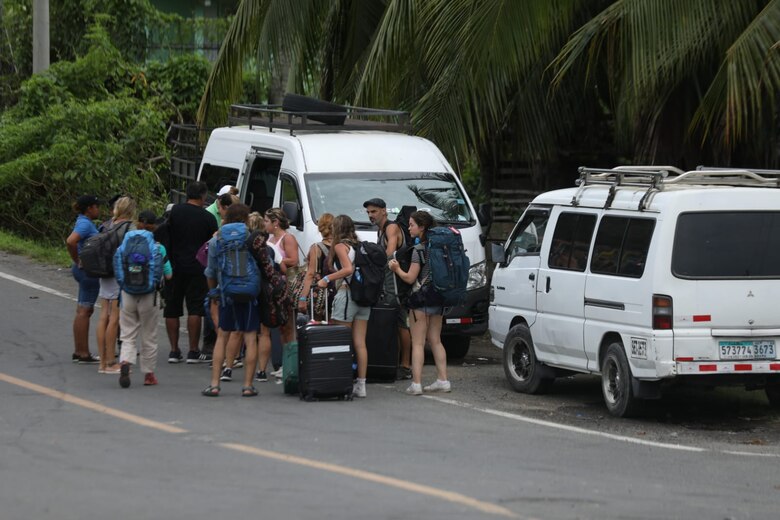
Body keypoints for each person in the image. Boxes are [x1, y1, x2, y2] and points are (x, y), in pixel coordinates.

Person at [388, 210, 451, 395]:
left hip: (420, 300)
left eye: (412, 225)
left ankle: (416, 384)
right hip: (438, 298)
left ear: (422, 227)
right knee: (436, 340)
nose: (409, 228)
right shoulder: (441, 248)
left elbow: (409, 278)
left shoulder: (419, 250)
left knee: (417, 343)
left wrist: (396, 268)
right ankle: (443, 380)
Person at [202, 203, 260, 397]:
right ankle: (247, 386)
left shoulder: (217, 240)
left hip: (226, 292)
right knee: (250, 337)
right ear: (245, 219)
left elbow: (210, 271)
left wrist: (213, 293)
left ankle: (214, 384)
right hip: (250, 293)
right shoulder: (252, 238)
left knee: (223, 336)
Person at [116, 210, 173, 388]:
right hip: (149, 295)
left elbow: (117, 269)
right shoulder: (158, 248)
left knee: (127, 334)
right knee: (149, 335)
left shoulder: (124, 245)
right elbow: (169, 275)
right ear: (154, 226)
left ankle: (125, 361)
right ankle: (148, 374)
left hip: (127, 294)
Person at [163, 181, 219, 364]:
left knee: (172, 308)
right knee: (195, 308)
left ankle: (173, 350)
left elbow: (166, 234)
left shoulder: (175, 212)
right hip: (197, 268)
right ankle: (193, 350)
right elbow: (211, 245)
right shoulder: (208, 218)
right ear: (203, 196)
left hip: (173, 266)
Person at [317, 215, 371, 398]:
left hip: (347, 295)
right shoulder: (360, 245)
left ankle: (342, 380)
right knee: (360, 343)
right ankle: (361, 385)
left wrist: (326, 279)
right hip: (364, 298)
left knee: (341, 340)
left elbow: (347, 269)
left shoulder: (341, 246)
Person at [364, 198, 412, 380]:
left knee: (401, 323)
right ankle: (395, 362)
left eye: (374, 211)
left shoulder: (391, 228)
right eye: (368, 212)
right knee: (394, 322)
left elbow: (390, 253)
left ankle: (406, 365)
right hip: (388, 283)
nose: (371, 215)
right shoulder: (381, 230)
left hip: (397, 284)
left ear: (384, 211)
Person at [96, 196, 135, 374]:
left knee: (104, 315)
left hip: (104, 273)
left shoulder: (105, 225)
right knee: (115, 318)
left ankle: (102, 362)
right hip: (119, 274)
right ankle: (111, 362)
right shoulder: (129, 227)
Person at [66, 194, 103, 364]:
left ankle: (78, 350)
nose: (98, 209)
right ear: (89, 208)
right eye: (96, 206)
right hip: (87, 271)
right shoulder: (85, 224)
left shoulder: (84, 221)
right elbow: (71, 241)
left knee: (83, 309)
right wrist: (77, 259)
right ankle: (83, 353)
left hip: (84, 271)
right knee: (85, 311)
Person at [264, 207, 301, 377]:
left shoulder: (288, 238)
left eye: (266, 221)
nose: (264, 224)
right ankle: (283, 365)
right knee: (280, 327)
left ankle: (290, 365)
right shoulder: (270, 238)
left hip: (285, 286)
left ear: (275, 223)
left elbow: (294, 260)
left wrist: (277, 259)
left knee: (288, 327)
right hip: (273, 286)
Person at [296, 212, 334, 318]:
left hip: (321, 294)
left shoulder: (316, 248)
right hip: (337, 291)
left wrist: (302, 298)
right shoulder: (342, 246)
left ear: (320, 228)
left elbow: (310, 274)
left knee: (319, 327)